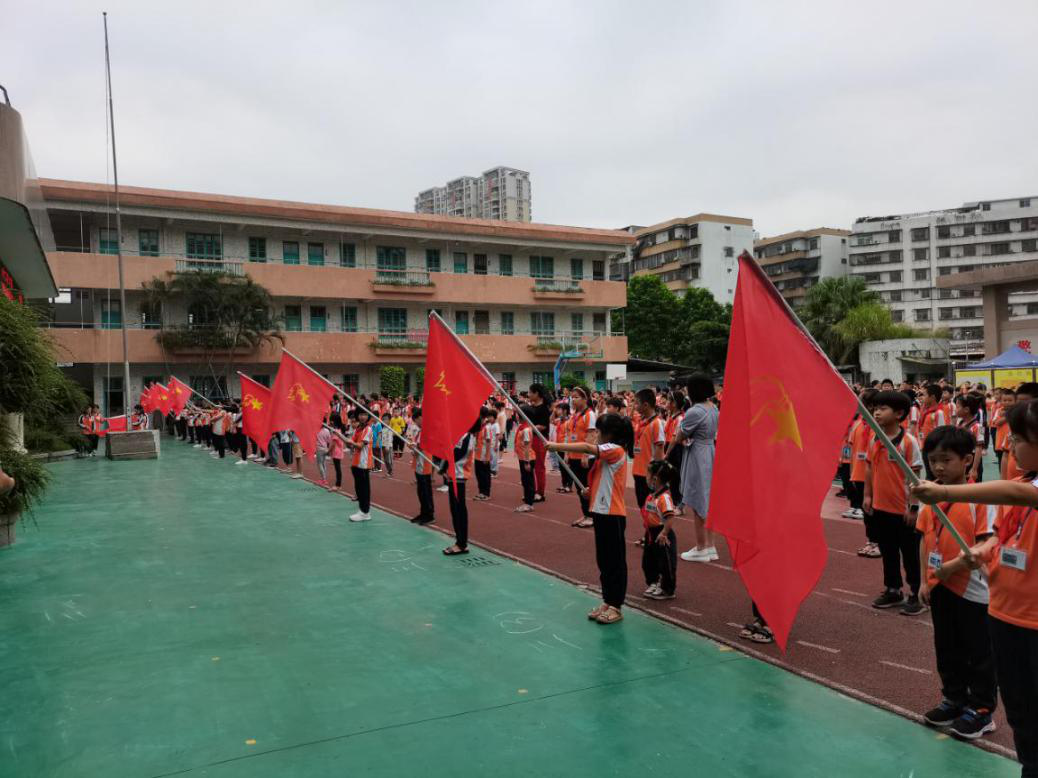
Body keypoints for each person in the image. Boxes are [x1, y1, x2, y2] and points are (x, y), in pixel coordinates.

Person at [912, 400, 1038, 774]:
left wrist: (945, 494)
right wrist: (982, 552)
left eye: (1019, 438)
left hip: (1031, 620)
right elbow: (1002, 536)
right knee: (1021, 712)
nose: (1009, 445)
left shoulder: (1018, 490)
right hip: (1005, 612)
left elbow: (1019, 497)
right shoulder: (1021, 482)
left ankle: (983, 711)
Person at [916, 425, 998, 739]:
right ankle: (953, 698)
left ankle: (982, 710)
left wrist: (951, 567)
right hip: (940, 586)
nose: (938, 467)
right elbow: (925, 539)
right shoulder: (929, 496)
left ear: (966, 460)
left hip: (973, 591)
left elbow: (985, 544)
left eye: (946, 460)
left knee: (978, 652)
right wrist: (925, 580)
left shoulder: (980, 498)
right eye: (933, 460)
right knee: (946, 647)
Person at [548, 412, 633, 625]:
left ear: (609, 434)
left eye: (598, 432)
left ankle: (616, 605)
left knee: (614, 561)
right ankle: (608, 600)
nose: (596, 436)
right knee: (603, 560)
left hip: (612, 513)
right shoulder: (607, 453)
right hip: (601, 511)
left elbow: (587, 448)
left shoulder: (616, 449)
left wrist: (556, 445)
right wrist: (590, 491)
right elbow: (605, 479)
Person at [865, 390, 926, 615]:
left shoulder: (908, 442)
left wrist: (913, 507)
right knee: (888, 551)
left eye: (882, 409)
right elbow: (869, 467)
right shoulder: (875, 438)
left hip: (903, 511)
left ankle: (917, 593)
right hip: (881, 508)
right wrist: (868, 496)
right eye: (875, 408)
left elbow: (915, 476)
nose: (876, 413)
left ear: (899, 413)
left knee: (910, 555)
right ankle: (893, 589)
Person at [665, 375, 719, 562]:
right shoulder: (713, 408)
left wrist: (670, 449)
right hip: (710, 451)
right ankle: (710, 545)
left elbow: (680, 435)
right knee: (708, 500)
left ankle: (701, 547)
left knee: (697, 501)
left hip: (697, 454)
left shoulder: (695, 411)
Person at [641, 459, 679, 601]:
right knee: (648, 560)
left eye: (648, 474)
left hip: (662, 534)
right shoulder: (652, 495)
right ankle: (654, 582)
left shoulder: (664, 498)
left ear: (655, 479)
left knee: (666, 563)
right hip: (651, 533)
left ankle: (667, 589)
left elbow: (670, 517)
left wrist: (664, 533)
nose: (646, 477)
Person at [443, 420, 477, 556]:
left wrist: (444, 466)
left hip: (459, 476)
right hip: (455, 475)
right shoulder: (464, 435)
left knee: (458, 510)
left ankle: (461, 544)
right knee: (456, 509)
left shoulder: (466, 436)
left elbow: (457, 453)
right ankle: (460, 541)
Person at [566, 386, 597, 529]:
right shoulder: (575, 414)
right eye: (572, 397)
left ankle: (591, 516)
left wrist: (585, 455)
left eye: (576, 397)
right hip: (574, 455)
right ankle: (585, 514)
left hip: (585, 458)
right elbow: (570, 435)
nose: (573, 400)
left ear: (585, 399)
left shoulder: (589, 415)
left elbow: (591, 435)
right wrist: (567, 453)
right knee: (579, 488)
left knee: (586, 487)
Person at [632, 388, 666, 510]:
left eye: (636, 403)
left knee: (651, 509)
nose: (634, 406)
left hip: (648, 474)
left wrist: (654, 474)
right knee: (642, 505)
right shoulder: (641, 421)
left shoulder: (656, 423)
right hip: (638, 471)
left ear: (645, 405)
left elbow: (659, 449)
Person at [344, 409, 374, 521]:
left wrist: (351, 442)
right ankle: (362, 510)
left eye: (365, 414)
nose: (363, 417)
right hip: (356, 462)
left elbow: (360, 445)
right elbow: (351, 444)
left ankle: (365, 512)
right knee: (359, 488)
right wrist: (344, 439)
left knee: (364, 489)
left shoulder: (368, 429)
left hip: (363, 463)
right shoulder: (358, 428)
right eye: (361, 414)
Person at [408, 409, 435, 525]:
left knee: (426, 491)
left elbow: (421, 446)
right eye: (415, 421)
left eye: (417, 420)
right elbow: (417, 447)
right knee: (421, 491)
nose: (416, 423)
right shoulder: (420, 431)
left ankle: (429, 515)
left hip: (425, 464)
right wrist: (413, 447)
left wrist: (413, 446)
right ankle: (423, 513)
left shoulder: (427, 431)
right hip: (419, 464)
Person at [526, 383, 552, 502]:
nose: (529, 394)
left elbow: (543, 426)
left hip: (539, 439)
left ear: (536, 393)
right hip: (531, 438)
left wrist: (529, 429)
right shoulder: (531, 407)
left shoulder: (543, 408)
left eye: (530, 392)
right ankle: (532, 490)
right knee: (529, 465)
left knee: (539, 466)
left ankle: (540, 492)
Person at [955, 393, 987, 483]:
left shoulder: (979, 427)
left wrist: (974, 469)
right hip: (962, 459)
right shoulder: (960, 423)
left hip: (973, 461)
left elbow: (979, 448)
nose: (955, 409)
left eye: (957, 407)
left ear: (966, 410)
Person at [514, 408, 537, 512]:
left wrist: (527, 462)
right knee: (525, 480)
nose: (516, 416)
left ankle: (529, 503)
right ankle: (528, 499)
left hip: (527, 458)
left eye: (518, 414)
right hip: (523, 457)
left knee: (528, 481)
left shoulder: (526, 429)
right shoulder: (521, 427)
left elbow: (527, 446)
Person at [473, 407, 496, 500]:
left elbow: (488, 441)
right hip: (478, 454)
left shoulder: (487, 427)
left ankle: (486, 493)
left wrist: (487, 456)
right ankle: (481, 492)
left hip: (483, 455)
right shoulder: (480, 426)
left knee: (484, 474)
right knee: (478, 474)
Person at [329, 419, 345, 490]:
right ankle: (338, 485)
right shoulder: (339, 430)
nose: (330, 422)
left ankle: (338, 485)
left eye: (331, 420)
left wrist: (328, 451)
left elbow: (333, 444)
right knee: (338, 468)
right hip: (338, 451)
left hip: (336, 452)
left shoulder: (336, 431)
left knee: (338, 469)